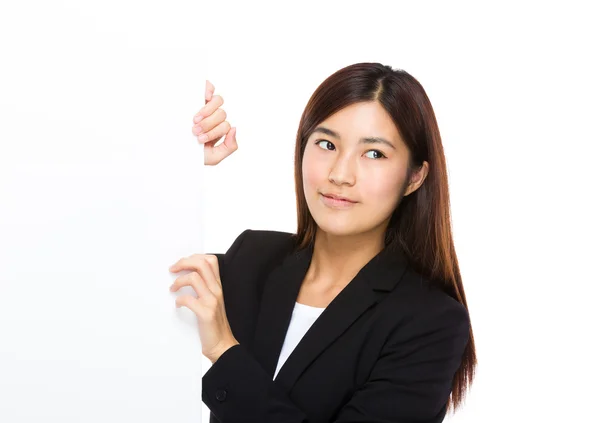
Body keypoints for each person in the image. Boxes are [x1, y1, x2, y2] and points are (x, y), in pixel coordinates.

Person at [169, 63, 477, 423]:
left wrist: (224, 350)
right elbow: (113, 273)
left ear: (414, 176)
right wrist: (179, 164)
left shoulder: (430, 323)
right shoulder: (251, 260)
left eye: (374, 153)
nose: (340, 175)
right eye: (327, 144)